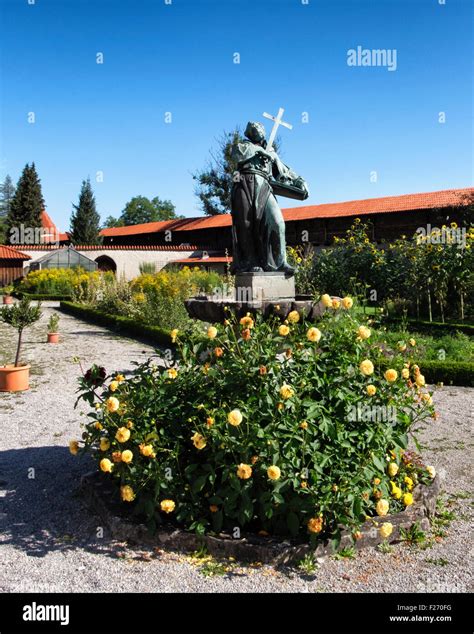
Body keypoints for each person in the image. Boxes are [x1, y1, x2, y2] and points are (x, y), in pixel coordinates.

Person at [230, 121, 308, 274]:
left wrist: (300, 181)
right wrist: (258, 151)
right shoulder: (244, 146)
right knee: (246, 224)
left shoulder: (270, 151)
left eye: (259, 127)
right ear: (249, 132)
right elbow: (236, 154)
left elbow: (284, 171)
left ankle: (279, 263)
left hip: (265, 186)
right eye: (254, 128)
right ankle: (250, 262)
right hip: (244, 183)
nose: (257, 129)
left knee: (276, 221)